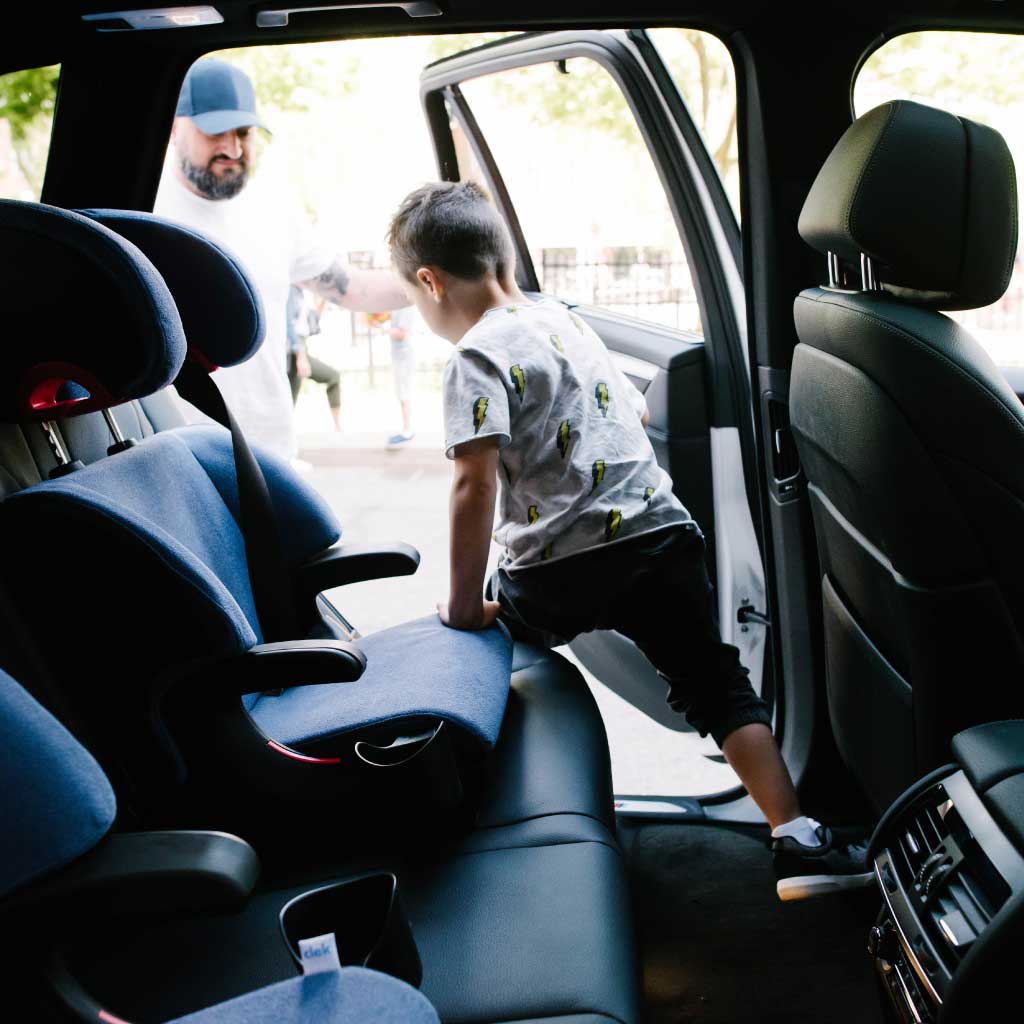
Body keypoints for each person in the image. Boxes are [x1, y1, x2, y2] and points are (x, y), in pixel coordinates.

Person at [387, 180, 871, 902]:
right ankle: (796, 837)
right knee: (716, 685)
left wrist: (464, 604)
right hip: (661, 536)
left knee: (486, 641)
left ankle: (479, 820)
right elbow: (637, 409)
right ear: (502, 255)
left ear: (428, 283)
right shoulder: (565, 322)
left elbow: (473, 487)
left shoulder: (474, 358)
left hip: (555, 572)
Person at [156, 58, 409, 460]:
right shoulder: (143, 210)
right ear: (173, 128)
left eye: (243, 132)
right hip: (175, 454)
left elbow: (352, 287)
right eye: (215, 132)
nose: (233, 148)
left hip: (269, 453)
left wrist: (435, 279)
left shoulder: (274, 210)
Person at [287, 286, 342, 432]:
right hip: (293, 351)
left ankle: (337, 427)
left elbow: (312, 324)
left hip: (300, 347)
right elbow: (290, 325)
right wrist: (300, 356)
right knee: (333, 377)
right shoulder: (291, 289)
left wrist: (324, 298)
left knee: (289, 399)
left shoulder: (301, 292)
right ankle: (338, 428)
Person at [384, 305, 419, 447]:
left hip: (404, 354)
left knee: (404, 392)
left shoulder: (406, 306)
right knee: (402, 391)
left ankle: (408, 430)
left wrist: (382, 327)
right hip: (399, 353)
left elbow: (402, 333)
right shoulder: (397, 303)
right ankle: (406, 428)